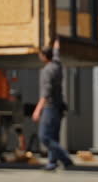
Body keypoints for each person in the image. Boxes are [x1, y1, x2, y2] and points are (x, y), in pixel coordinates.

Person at [32, 38, 73, 171]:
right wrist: (56, 45)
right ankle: (52, 162)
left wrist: (37, 110)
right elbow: (56, 54)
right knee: (54, 135)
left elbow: (46, 93)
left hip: (50, 107)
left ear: (44, 56)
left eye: (40, 54)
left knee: (44, 136)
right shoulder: (57, 64)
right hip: (59, 106)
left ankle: (65, 158)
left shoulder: (47, 71)